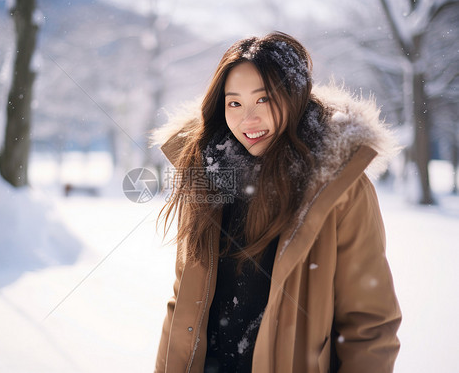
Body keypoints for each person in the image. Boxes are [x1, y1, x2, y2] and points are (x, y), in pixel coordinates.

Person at [152, 32, 401, 373]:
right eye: (234, 103)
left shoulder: (338, 188)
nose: (247, 120)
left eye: (264, 100)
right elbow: (183, 304)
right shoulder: (207, 174)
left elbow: (369, 327)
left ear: (295, 96)